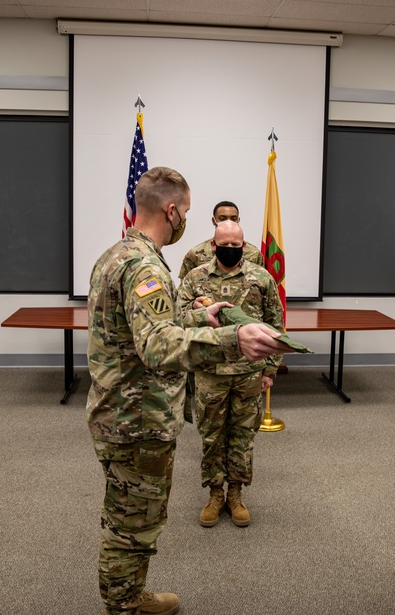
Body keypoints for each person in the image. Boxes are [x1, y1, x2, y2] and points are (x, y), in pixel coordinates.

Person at [87, 166, 291, 615]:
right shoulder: (145, 265)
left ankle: (130, 595)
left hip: (120, 409)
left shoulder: (116, 254)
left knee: (131, 513)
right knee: (132, 522)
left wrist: (202, 318)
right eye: (188, 214)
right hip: (136, 418)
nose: (185, 224)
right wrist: (231, 339)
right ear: (172, 210)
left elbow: (144, 328)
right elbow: (158, 346)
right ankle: (123, 605)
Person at [177, 220, 284, 528]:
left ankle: (236, 493)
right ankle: (214, 493)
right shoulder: (195, 278)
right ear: (213, 244)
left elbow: (275, 325)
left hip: (249, 373)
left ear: (243, 245)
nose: (229, 249)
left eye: (236, 245)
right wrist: (196, 312)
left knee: (242, 436)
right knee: (211, 435)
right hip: (210, 370)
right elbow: (177, 319)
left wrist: (270, 370)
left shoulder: (260, 277)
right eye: (224, 244)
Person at [178, 201, 263, 280]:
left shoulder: (254, 253)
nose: (228, 222)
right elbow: (185, 287)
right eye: (223, 218)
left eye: (233, 219)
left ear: (238, 220)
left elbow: (263, 282)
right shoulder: (195, 254)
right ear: (214, 221)